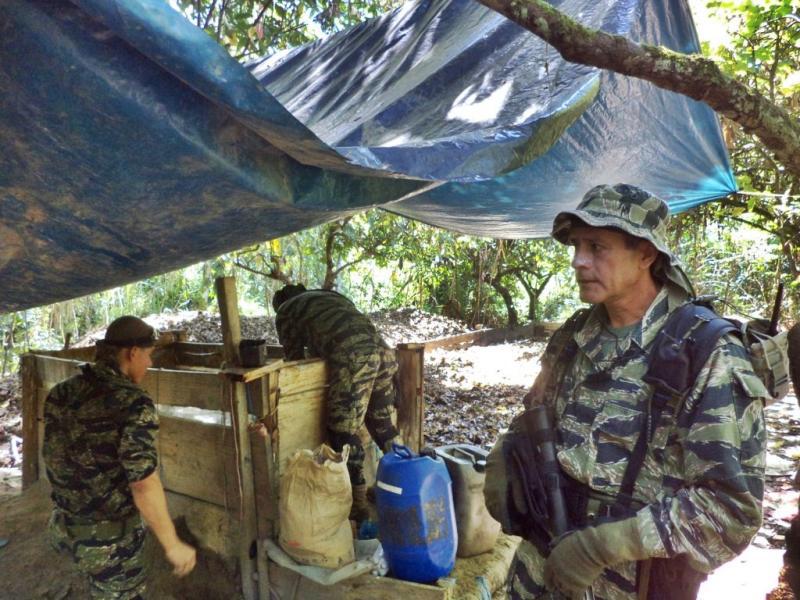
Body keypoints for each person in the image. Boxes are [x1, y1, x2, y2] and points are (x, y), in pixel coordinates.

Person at [485, 184, 768, 599]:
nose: (579, 261)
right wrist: (504, 457)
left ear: (646, 255)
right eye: (577, 245)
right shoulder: (574, 335)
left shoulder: (705, 352)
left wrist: (602, 546)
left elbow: (730, 512)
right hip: (537, 574)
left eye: (597, 247)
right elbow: (534, 419)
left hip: (630, 585)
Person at [43, 316, 196, 599]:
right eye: (149, 355)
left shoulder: (61, 392)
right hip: (109, 541)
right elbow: (143, 484)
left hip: (64, 527)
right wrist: (172, 544)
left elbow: (55, 458)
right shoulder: (134, 403)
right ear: (132, 352)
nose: (149, 363)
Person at [272, 284, 401, 520]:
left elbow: (295, 360)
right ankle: (406, 481)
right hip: (384, 352)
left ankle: (358, 505)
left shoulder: (286, 310)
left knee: (342, 431)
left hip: (355, 356)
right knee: (382, 424)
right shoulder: (327, 296)